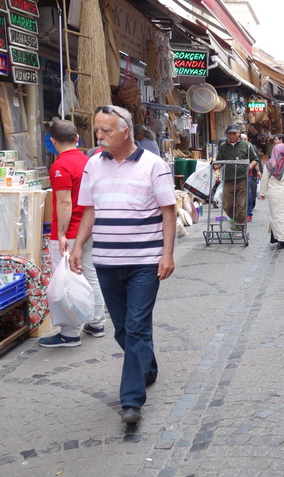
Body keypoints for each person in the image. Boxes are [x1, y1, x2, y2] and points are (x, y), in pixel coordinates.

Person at [69, 105, 176, 425]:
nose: (99, 136)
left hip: (145, 262)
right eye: (97, 130)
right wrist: (77, 245)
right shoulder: (92, 165)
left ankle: (131, 400)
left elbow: (168, 211)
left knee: (138, 325)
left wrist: (167, 254)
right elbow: (89, 210)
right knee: (125, 328)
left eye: (106, 131)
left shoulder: (154, 165)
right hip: (106, 261)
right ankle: (147, 366)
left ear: (126, 131)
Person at [38, 120, 107, 348]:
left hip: (71, 232)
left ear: (53, 141)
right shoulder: (88, 162)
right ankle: (97, 323)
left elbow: (65, 203)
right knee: (91, 275)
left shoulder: (60, 166)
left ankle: (69, 333)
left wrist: (60, 233)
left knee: (64, 280)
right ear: (77, 139)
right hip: (90, 229)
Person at [214, 124, 258, 230]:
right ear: (227, 134)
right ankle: (235, 220)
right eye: (230, 133)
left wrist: (250, 166)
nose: (232, 135)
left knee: (241, 205)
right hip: (228, 178)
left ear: (238, 133)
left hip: (242, 178)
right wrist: (216, 166)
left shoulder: (247, 145)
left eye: (234, 133)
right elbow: (219, 160)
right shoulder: (223, 146)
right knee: (227, 205)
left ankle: (239, 228)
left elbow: (254, 159)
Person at [241, 133, 260, 222]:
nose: (244, 141)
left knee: (248, 193)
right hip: (236, 175)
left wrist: (258, 171)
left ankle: (248, 213)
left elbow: (255, 160)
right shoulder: (237, 148)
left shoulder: (251, 147)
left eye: (245, 139)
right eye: (242, 139)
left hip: (248, 174)